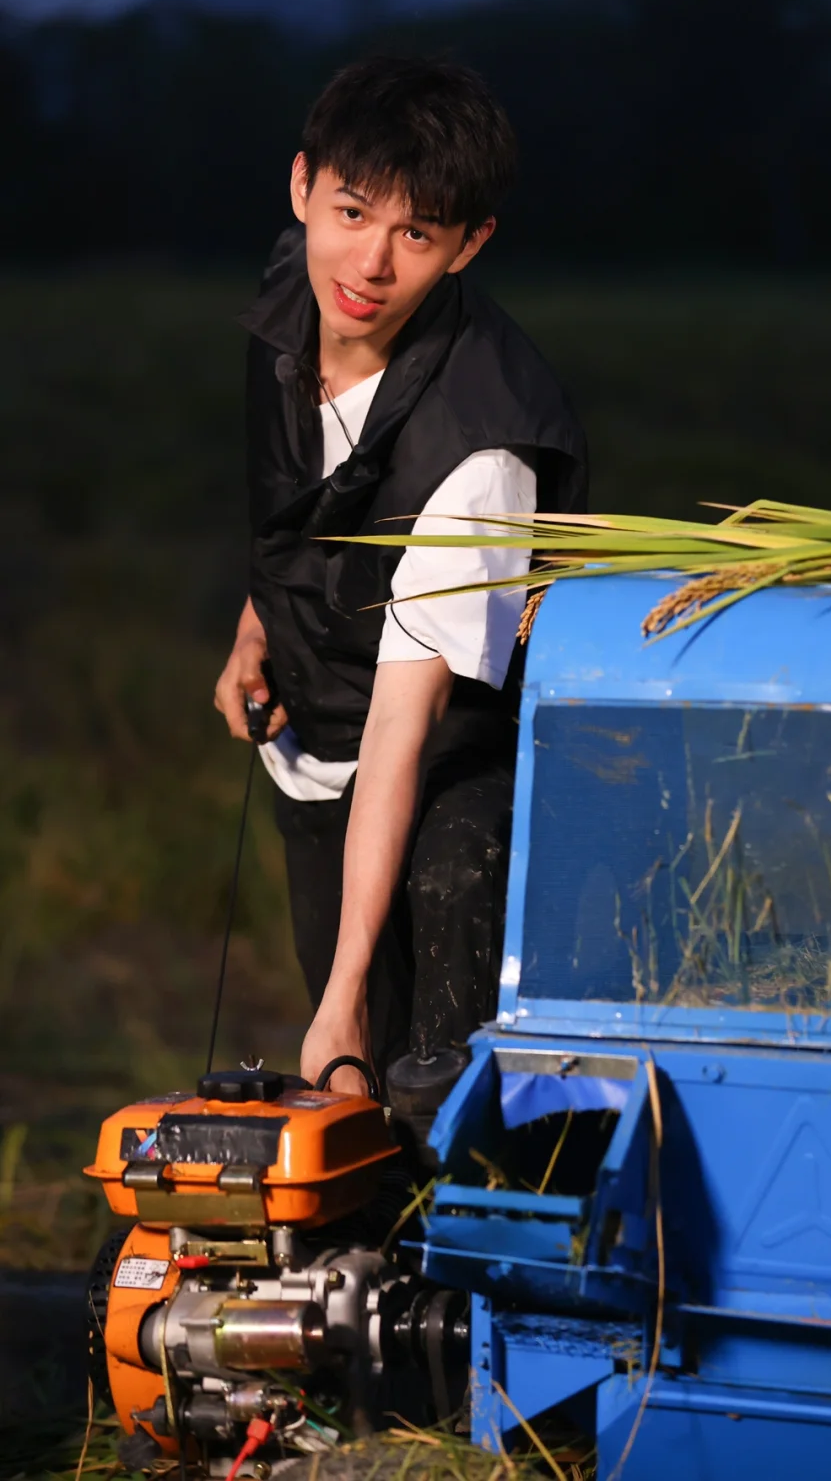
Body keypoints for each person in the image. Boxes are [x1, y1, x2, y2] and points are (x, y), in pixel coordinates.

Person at [213, 56, 587, 1103]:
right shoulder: (294, 287)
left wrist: (340, 1003)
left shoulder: (481, 453)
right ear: (303, 188)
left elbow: (403, 731)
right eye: (351, 211)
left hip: (454, 774)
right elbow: (303, 496)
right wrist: (256, 631)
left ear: (469, 246)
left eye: (417, 234)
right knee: (346, 1094)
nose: (368, 263)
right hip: (314, 746)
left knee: (425, 1080)